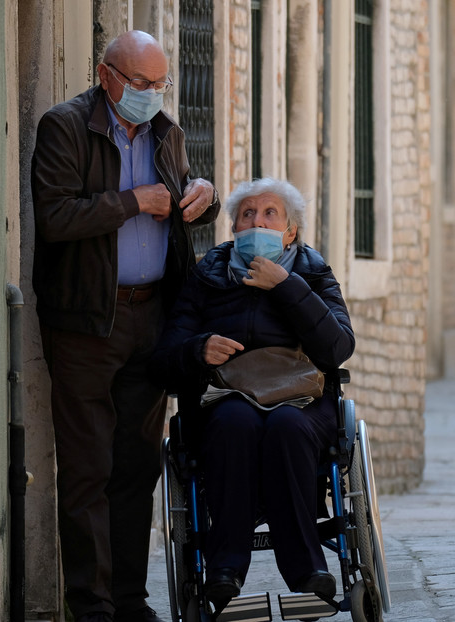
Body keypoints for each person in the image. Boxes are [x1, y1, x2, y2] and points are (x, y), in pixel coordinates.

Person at [30, 30, 220, 622]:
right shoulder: (65, 128)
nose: (151, 95)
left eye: (160, 84)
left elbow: (181, 203)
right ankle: (90, 608)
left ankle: (131, 602)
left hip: (152, 317)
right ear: (104, 74)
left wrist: (205, 198)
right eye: (139, 83)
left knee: (137, 470)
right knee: (88, 471)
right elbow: (56, 217)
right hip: (88, 320)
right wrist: (134, 202)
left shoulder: (168, 133)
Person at [153, 177, 355, 607]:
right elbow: (166, 357)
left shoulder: (312, 271)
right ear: (234, 229)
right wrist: (199, 349)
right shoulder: (206, 275)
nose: (257, 221)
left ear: (290, 232)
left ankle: (308, 570)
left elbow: (338, 347)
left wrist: (286, 286)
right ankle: (225, 568)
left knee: (286, 425)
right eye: (247, 214)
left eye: (270, 214)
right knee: (234, 421)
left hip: (300, 399)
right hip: (225, 397)